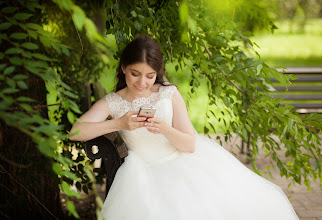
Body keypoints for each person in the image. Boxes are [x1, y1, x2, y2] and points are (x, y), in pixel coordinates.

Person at [69, 35, 299, 220]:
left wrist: (165, 129)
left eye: (150, 76)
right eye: (135, 74)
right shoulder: (114, 101)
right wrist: (119, 123)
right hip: (144, 173)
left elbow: (189, 144)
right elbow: (75, 132)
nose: (142, 83)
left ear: (157, 73)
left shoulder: (168, 93)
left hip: (184, 164)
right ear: (123, 69)